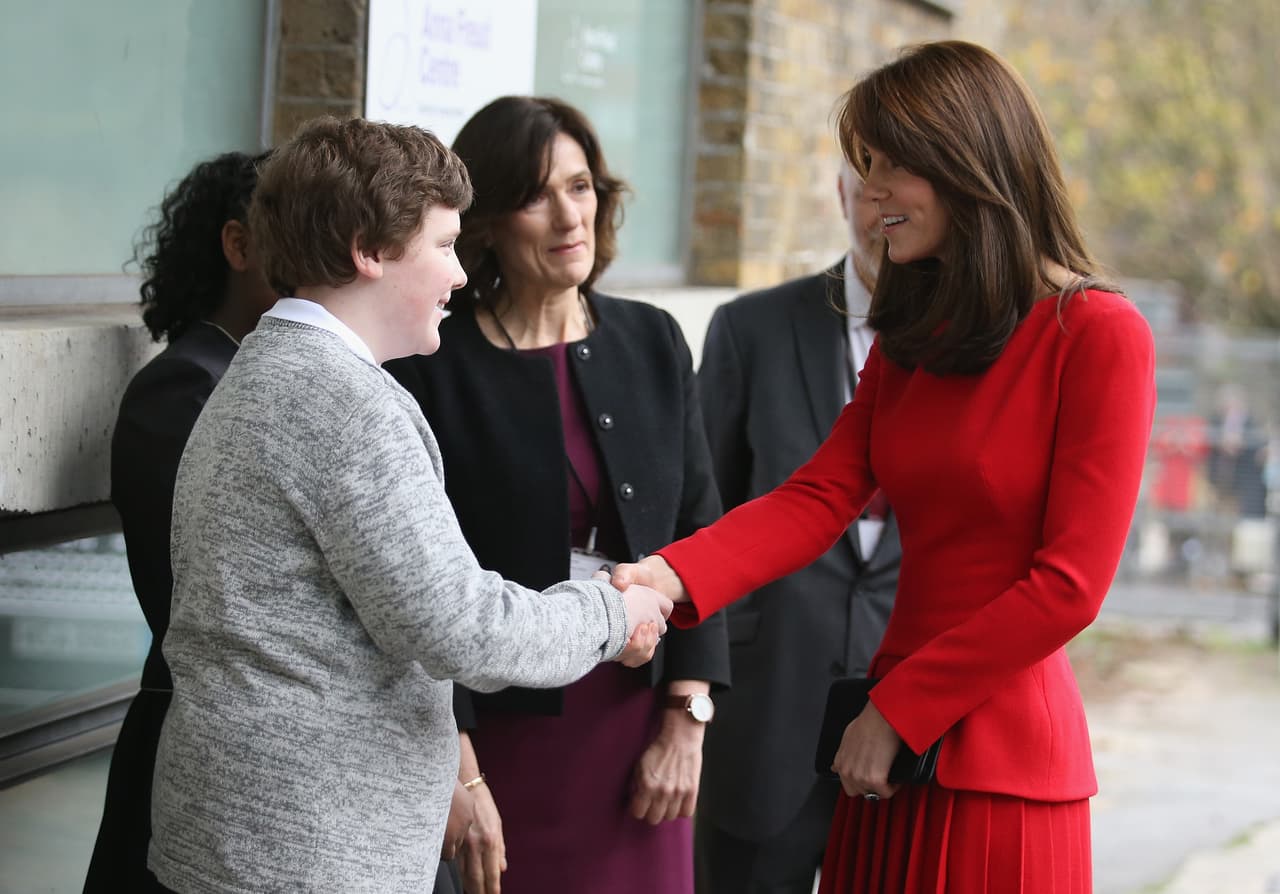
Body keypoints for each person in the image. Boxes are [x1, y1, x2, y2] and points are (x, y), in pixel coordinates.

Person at [613, 41, 1157, 892]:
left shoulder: (1096, 334)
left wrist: (900, 713)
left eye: (893, 166)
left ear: (966, 162)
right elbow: (819, 494)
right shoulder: (917, 335)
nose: (869, 193)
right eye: (866, 165)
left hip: (994, 767)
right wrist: (671, 575)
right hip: (887, 756)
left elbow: (1071, 587)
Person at [145, 116, 671, 894]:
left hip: (250, 841)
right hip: (308, 855)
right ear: (368, 250)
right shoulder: (345, 404)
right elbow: (462, 628)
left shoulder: (264, 368)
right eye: (443, 245)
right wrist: (612, 613)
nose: (460, 275)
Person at [387, 95, 729, 894]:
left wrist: (688, 715)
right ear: (489, 222)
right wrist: (460, 771)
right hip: (495, 738)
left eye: (580, 187)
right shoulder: (434, 364)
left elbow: (698, 528)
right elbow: (410, 593)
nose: (568, 215)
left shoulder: (651, 341)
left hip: (636, 725)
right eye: (537, 196)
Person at [692, 165, 901, 894]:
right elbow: (700, 519)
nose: (886, 208)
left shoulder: (977, 346)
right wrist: (688, 707)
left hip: (907, 740)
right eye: (870, 184)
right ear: (842, 192)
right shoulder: (750, 329)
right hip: (760, 724)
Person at [84, 150, 276, 893]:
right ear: (238, 246)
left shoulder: (274, 374)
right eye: (301, 231)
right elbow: (207, 603)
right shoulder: (183, 389)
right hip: (200, 759)